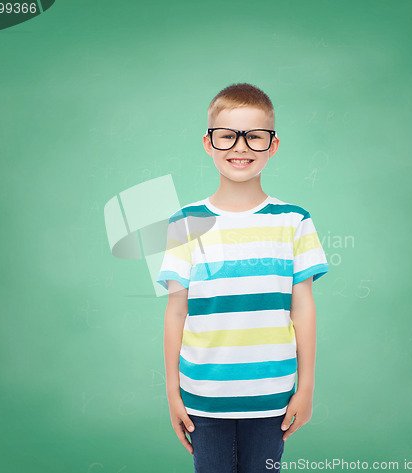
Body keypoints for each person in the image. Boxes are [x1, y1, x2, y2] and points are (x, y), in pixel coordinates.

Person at [156, 83, 330, 473]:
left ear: (273, 145)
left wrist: (306, 388)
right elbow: (175, 312)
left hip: (273, 397)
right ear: (208, 143)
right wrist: (172, 392)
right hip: (203, 396)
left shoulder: (294, 220)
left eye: (254, 136)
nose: (241, 147)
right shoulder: (184, 222)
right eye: (227, 136)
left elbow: (302, 308)